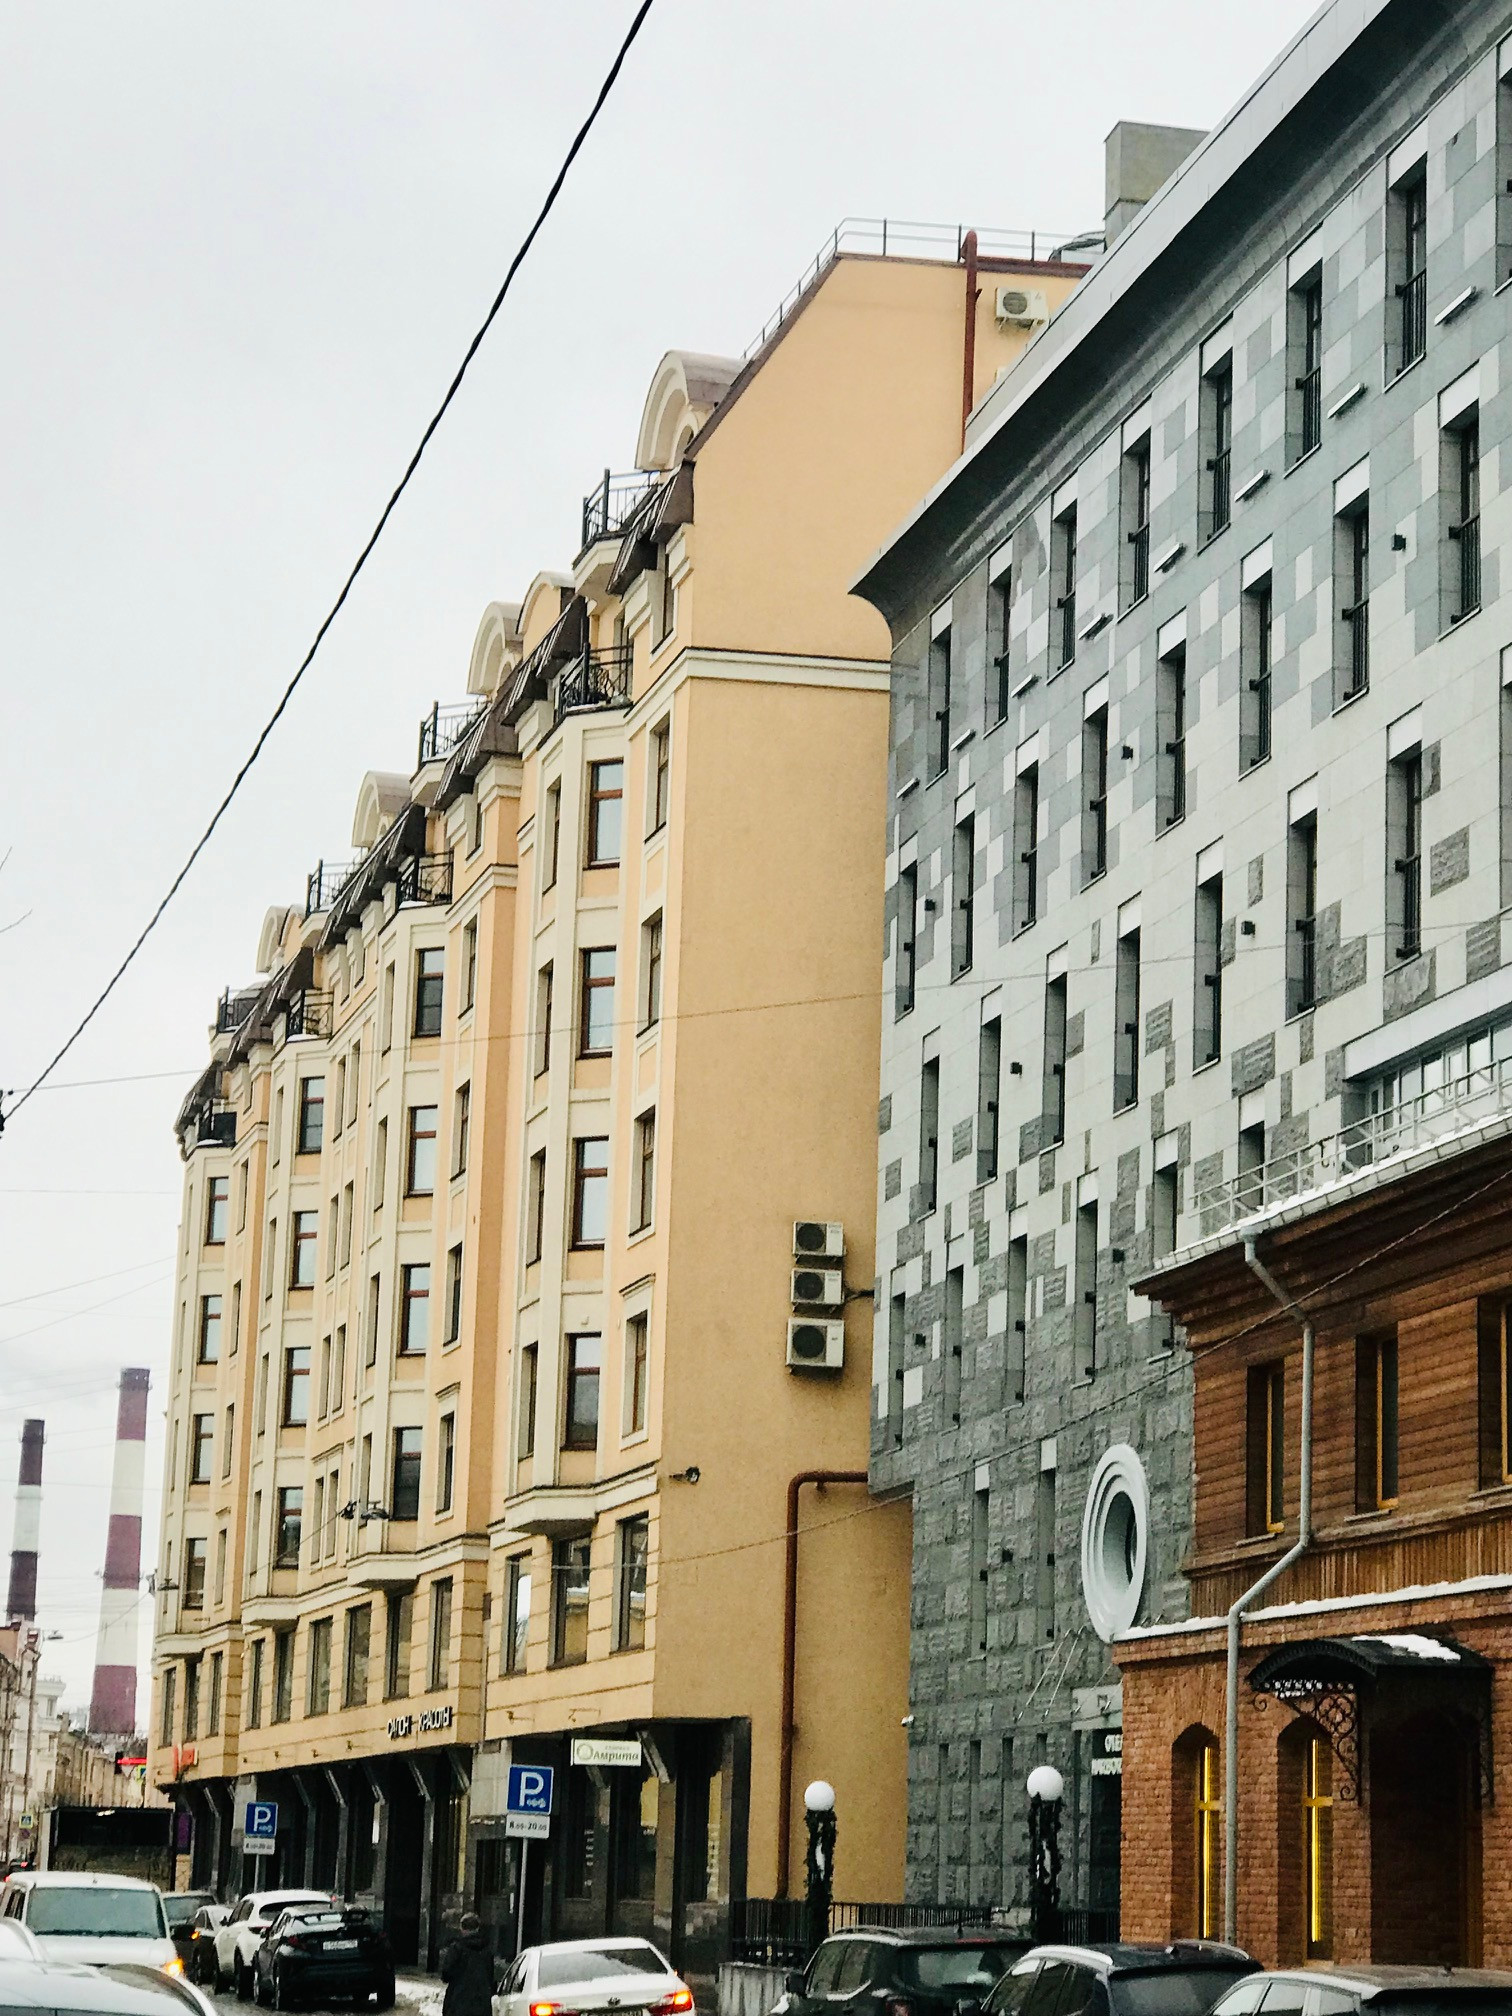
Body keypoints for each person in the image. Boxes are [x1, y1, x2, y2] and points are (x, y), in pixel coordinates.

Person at [441, 1912, 495, 2016]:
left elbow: (446, 1973)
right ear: (478, 1928)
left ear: (462, 1928)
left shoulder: (457, 1948)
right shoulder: (486, 1950)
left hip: (458, 2002)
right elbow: (490, 1976)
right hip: (481, 2004)